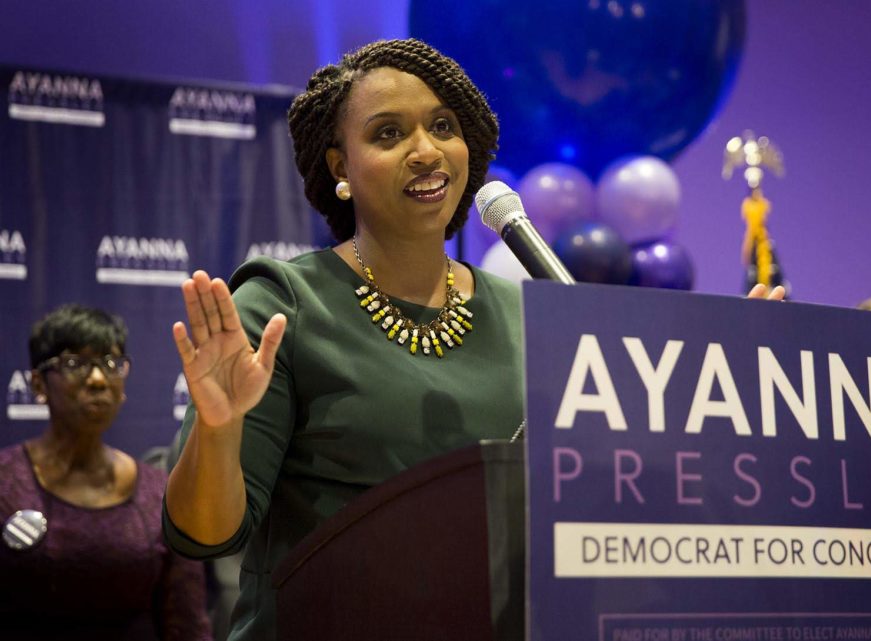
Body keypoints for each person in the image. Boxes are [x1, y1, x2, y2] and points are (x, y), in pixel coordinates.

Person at [162, 38, 785, 641]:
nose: (426, 151)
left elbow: (615, 496)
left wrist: (721, 377)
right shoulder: (283, 304)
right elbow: (206, 535)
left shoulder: (531, 310)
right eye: (387, 133)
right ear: (338, 168)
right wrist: (219, 428)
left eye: (443, 127)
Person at [0, 304, 211, 641]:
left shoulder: (158, 492)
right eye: (74, 364)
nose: (98, 379)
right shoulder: (5, 484)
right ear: (38, 383)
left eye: (111, 363)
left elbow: (186, 622)